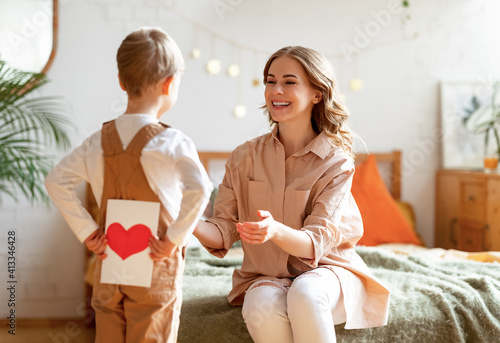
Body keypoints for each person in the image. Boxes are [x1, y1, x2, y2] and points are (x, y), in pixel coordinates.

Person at [194, 46, 390, 343]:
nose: (276, 90)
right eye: (270, 81)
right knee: (260, 304)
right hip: (266, 276)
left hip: (328, 272)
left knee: (305, 293)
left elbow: (315, 242)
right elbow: (222, 230)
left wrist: (274, 230)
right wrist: (186, 222)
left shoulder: (336, 163)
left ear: (317, 93)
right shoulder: (243, 156)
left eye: (289, 81)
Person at [45, 27, 212, 343]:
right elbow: (201, 189)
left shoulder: (96, 142)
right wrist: (174, 238)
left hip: (110, 266)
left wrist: (88, 233)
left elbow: (56, 181)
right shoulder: (173, 142)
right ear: (169, 84)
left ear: (121, 82)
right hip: (155, 268)